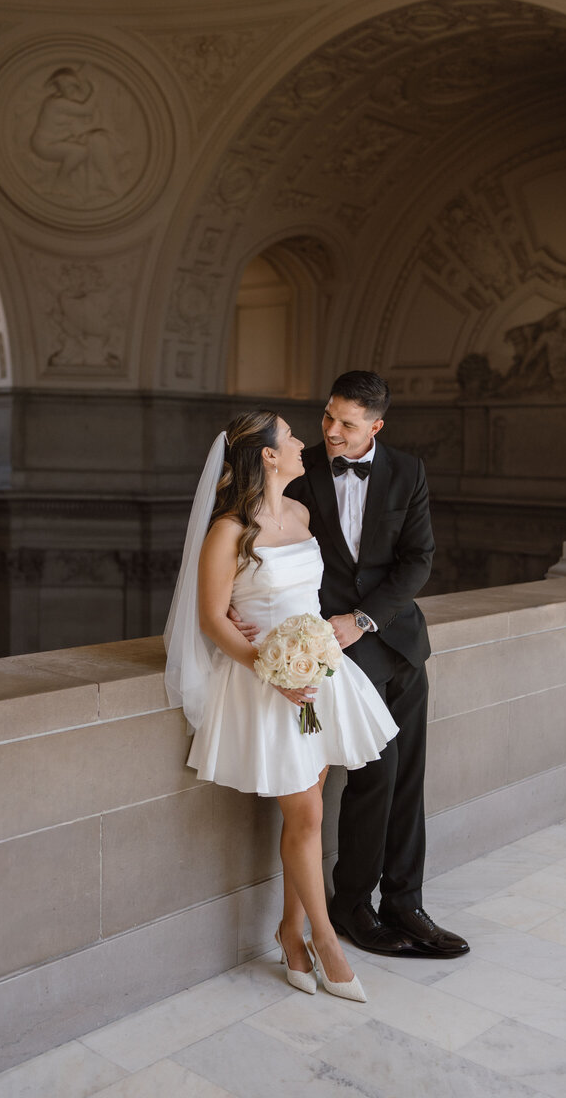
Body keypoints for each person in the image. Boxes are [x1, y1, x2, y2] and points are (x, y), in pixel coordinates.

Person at [163, 409, 398, 1002]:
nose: (301, 443)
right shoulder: (228, 530)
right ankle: (326, 939)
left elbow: (307, 596)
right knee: (309, 815)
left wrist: (309, 657)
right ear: (267, 455)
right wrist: (271, 668)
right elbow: (213, 619)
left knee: (312, 805)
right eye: (290, 437)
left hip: (318, 674)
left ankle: (290, 931)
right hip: (266, 683)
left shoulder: (299, 513)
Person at [247, 371, 470, 958]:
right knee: (375, 776)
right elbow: (264, 550)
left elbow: (417, 561)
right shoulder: (300, 472)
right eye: (327, 418)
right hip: (337, 654)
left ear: (377, 425)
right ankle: (352, 906)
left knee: (409, 779)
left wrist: (365, 619)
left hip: (400, 644)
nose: (333, 432)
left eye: (348, 423)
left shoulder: (408, 471)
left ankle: (406, 903)